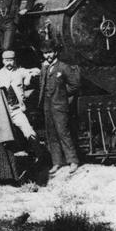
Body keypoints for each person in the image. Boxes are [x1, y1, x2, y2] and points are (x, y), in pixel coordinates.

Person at [39, 40, 81, 175]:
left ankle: (73, 161)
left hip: (60, 105)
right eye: (45, 53)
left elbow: (74, 84)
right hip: (47, 105)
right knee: (51, 134)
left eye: (50, 52)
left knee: (63, 132)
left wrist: (62, 93)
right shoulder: (44, 68)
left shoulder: (63, 67)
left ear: (55, 52)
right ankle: (57, 162)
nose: (48, 56)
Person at [0, 50, 42, 157]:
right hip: (4, 111)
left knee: (29, 131)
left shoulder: (21, 71)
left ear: (15, 61)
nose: (9, 63)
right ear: (3, 61)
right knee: (5, 136)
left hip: (17, 109)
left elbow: (37, 71)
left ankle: (39, 156)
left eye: (11, 60)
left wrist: (30, 75)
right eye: (6, 60)